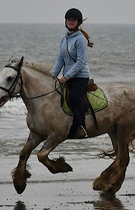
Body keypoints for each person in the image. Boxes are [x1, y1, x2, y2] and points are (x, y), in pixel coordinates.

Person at [52, 8, 94, 139]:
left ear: (78, 22)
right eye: (69, 19)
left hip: (80, 76)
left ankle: (81, 127)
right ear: (65, 21)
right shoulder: (64, 39)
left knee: (74, 98)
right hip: (68, 76)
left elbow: (80, 62)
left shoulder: (80, 39)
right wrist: (52, 76)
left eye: (73, 20)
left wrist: (66, 77)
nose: (70, 22)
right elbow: (60, 59)